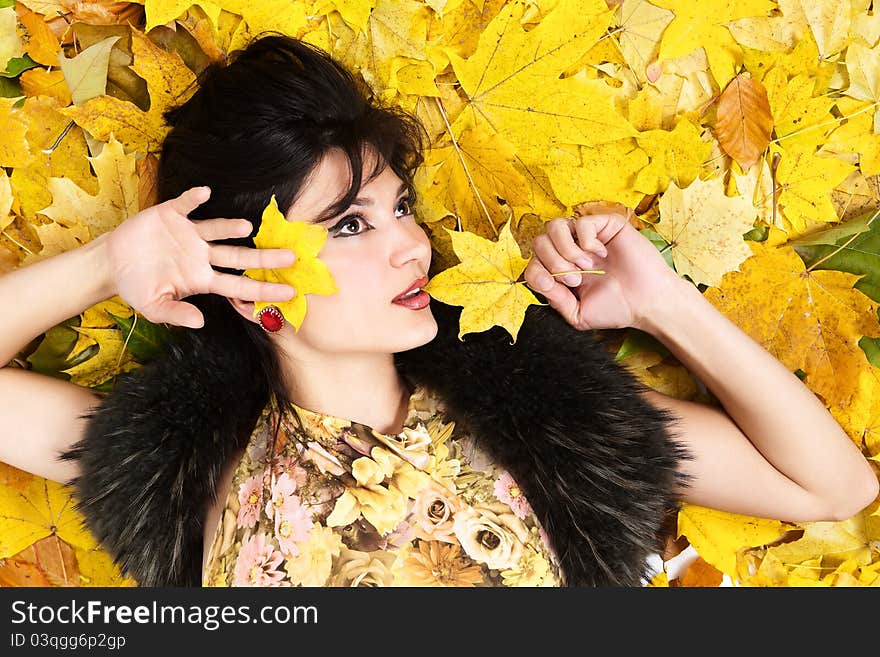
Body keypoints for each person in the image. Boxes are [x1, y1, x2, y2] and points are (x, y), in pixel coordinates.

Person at [0, 33, 876, 588]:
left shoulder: (536, 415)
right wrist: (103, 266)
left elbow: (834, 485)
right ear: (247, 271)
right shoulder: (187, 460)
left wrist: (662, 306)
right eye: (349, 223)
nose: (413, 245)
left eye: (400, 207)